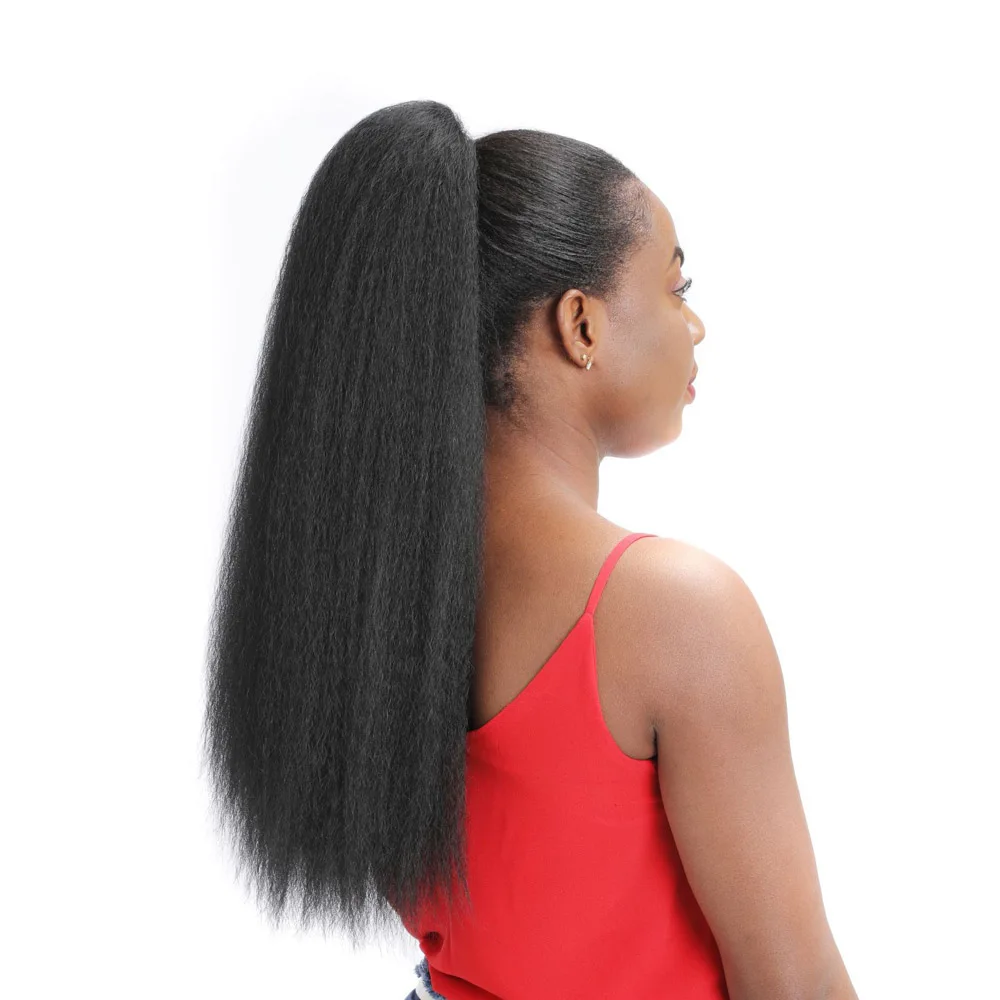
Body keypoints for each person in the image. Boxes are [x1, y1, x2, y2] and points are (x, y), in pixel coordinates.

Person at [202, 99, 858, 1000]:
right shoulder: (677, 613)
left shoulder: (368, 595)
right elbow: (796, 984)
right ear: (580, 325)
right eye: (677, 288)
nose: (695, 326)